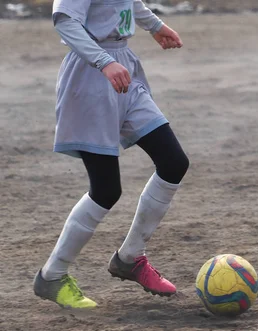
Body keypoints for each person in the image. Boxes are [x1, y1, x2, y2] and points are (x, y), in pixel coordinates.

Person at [33, 0, 189, 308]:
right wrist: (103, 62)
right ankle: (52, 275)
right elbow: (64, 21)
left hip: (124, 71)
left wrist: (155, 26)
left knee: (173, 162)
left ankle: (130, 257)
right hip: (90, 76)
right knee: (106, 190)